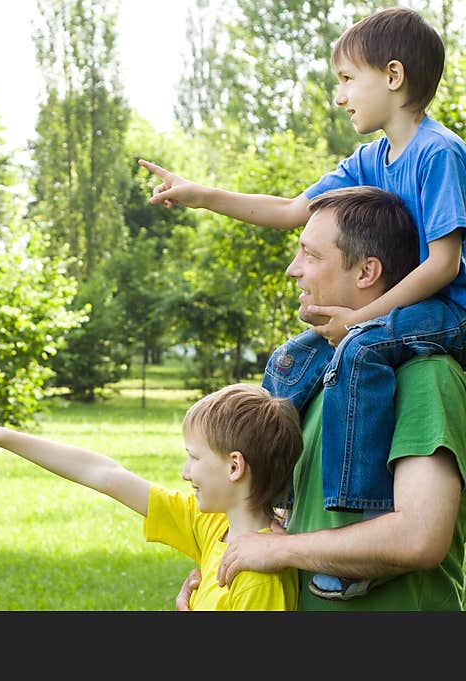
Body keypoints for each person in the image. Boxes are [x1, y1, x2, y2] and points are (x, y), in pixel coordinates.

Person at [140, 6, 466, 599]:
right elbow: (294, 210)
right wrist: (202, 195)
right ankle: (277, 502)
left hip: (443, 311)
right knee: (292, 358)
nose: (339, 95)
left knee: (361, 349)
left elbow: (443, 263)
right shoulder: (368, 161)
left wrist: (363, 319)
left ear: (393, 76)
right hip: (384, 312)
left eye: (347, 79)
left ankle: (354, 518)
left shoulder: (438, 153)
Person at [178, 187, 466, 611]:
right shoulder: (317, 376)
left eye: (310, 256)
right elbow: (297, 520)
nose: (294, 270)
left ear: (367, 271)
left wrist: (282, 551)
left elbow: (421, 537)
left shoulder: (427, 376)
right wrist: (222, 581)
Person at [0, 382, 303, 610]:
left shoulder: (258, 577)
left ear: (234, 467)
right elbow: (105, 474)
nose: (185, 473)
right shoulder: (214, 525)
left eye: (194, 458)